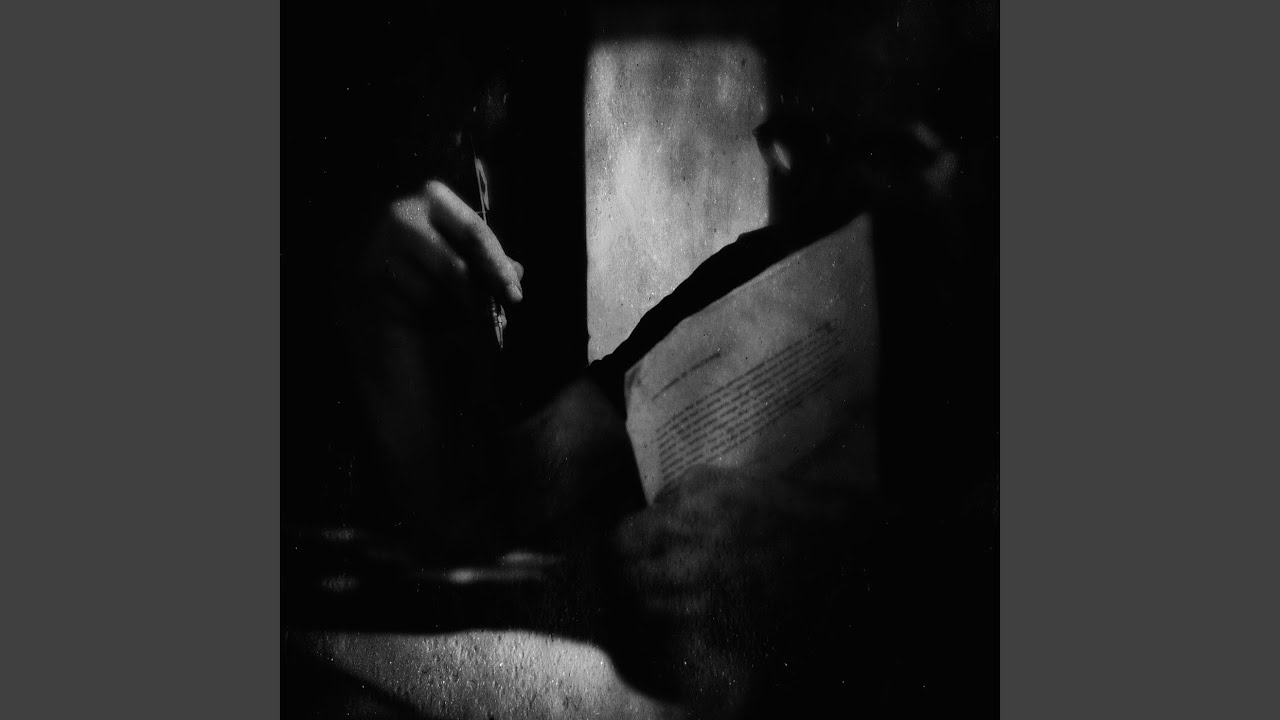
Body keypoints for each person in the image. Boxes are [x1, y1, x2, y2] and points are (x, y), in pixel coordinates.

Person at [339, 3, 997, 718]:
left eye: (894, 155)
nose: (823, 191)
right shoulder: (764, 276)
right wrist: (401, 342)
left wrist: (863, 565)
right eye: (799, 141)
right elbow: (499, 503)